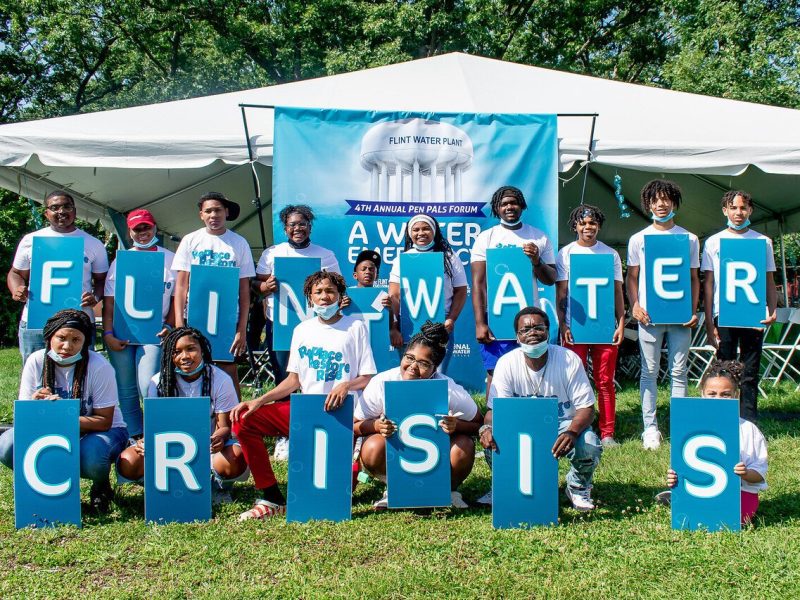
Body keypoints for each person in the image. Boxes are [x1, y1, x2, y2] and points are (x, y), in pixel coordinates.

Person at [231, 271, 376, 520]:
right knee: (243, 420)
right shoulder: (302, 330)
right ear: (309, 298)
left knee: (343, 490)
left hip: (340, 414)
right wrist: (260, 400)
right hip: (306, 410)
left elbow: (367, 376)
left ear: (340, 295)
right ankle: (271, 497)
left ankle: (351, 468)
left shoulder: (356, 326)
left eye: (330, 291)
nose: (324, 297)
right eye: (318, 292)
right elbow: (293, 381)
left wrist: (345, 385)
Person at [0, 309, 128, 513]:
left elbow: (104, 421)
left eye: (76, 340)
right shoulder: (36, 361)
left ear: (85, 342)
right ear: (50, 336)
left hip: (102, 432)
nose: (67, 346)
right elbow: (23, 421)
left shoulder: (98, 366)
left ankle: (101, 486)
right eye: (61, 338)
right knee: (7, 444)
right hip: (53, 431)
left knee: (92, 455)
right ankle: (51, 488)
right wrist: (34, 406)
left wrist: (60, 417)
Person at [477, 307, 602, 510]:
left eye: (538, 327)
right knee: (495, 436)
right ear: (517, 337)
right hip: (520, 426)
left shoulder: (569, 360)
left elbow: (587, 408)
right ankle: (504, 485)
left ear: (548, 331)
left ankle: (578, 486)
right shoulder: (506, 363)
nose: (532, 333)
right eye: (525, 330)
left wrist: (572, 432)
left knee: (588, 442)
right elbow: (493, 411)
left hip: (563, 425)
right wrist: (486, 428)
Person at [354, 321, 482, 509]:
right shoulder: (382, 382)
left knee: (464, 445)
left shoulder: (448, 389)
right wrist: (376, 426)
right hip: (397, 451)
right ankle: (395, 487)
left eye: (423, 363)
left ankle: (448, 490)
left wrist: (458, 425)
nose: (413, 366)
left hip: (436, 454)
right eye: (409, 357)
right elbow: (356, 425)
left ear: (435, 369)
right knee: (373, 446)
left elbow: (478, 424)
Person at [116, 327, 248, 503]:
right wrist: (146, 442)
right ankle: (160, 484)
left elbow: (224, 426)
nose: (184, 356)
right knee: (128, 462)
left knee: (235, 457)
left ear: (202, 350)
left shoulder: (220, 379)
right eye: (176, 352)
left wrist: (219, 438)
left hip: (207, 446)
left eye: (191, 349)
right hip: (169, 447)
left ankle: (218, 486)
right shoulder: (158, 381)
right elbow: (155, 425)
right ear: (169, 356)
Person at [255, 204, 341, 461]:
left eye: (302, 224)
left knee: (315, 377)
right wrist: (265, 285)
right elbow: (255, 283)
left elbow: (338, 287)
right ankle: (285, 434)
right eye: (292, 225)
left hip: (317, 328)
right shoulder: (272, 253)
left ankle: (315, 430)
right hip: (280, 326)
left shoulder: (325, 255)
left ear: (309, 226)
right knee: (285, 379)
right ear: (285, 228)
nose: (297, 229)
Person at [626, 179, 700, 450]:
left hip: (681, 318)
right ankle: (650, 429)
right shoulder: (638, 238)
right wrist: (634, 304)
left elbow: (694, 278)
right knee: (649, 371)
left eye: (666, 199)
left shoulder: (689, 238)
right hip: (649, 317)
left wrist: (694, 309)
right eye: (655, 200)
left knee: (679, 372)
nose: (661, 204)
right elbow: (631, 276)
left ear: (674, 202)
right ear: (648, 204)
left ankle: (680, 426)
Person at [470, 186, 556, 398]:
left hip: (530, 322)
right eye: (504, 203)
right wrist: (481, 323)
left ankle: (528, 418)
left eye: (513, 202)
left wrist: (537, 261)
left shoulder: (538, 237)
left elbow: (551, 278)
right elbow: (478, 284)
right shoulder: (486, 238)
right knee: (495, 373)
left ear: (522, 206)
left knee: (532, 371)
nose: (509, 207)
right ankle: (494, 422)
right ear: (497, 208)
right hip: (497, 319)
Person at [659, 360, 767, 525]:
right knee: (690, 517)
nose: (718, 399)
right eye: (712, 393)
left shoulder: (748, 429)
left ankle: (675, 499)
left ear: (736, 395)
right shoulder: (690, 428)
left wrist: (745, 473)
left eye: (725, 394)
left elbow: (759, 475)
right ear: (702, 394)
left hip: (740, 492)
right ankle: (676, 496)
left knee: (734, 520)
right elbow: (685, 465)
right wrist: (674, 477)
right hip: (700, 490)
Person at [7, 190, 109, 365]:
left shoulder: (93, 243)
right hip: (36, 321)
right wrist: (16, 288)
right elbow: (15, 273)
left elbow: (102, 280)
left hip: (78, 320)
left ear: (75, 211)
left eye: (67, 206)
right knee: (35, 376)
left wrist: (96, 297)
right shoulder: (30, 240)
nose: (61, 211)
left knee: (78, 375)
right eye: (55, 207)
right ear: (46, 213)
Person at [701, 190, 777, 422]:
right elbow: (709, 285)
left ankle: (748, 424)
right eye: (733, 208)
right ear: (725, 210)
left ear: (750, 210)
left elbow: (769, 280)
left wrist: (772, 310)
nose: (738, 212)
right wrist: (708, 322)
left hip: (753, 315)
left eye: (743, 208)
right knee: (723, 371)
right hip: (723, 316)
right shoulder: (713, 242)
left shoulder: (762, 242)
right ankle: (723, 420)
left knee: (750, 372)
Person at [172, 191, 255, 397]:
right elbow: (181, 287)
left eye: (217, 210)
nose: (213, 215)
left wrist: (241, 329)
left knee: (227, 369)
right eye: (208, 211)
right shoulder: (190, 240)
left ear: (226, 212)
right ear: (201, 215)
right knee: (193, 369)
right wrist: (179, 325)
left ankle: (234, 422)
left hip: (226, 318)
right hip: (196, 317)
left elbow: (244, 290)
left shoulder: (239, 243)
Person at [102, 209, 176, 438]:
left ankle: (157, 433)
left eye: (147, 227)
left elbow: (177, 299)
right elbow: (109, 303)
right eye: (137, 229)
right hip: (121, 333)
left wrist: (170, 326)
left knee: (148, 385)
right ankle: (135, 436)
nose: (143, 233)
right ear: (129, 232)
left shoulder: (171, 258)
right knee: (125, 389)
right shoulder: (120, 261)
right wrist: (107, 334)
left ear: (155, 228)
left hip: (153, 334)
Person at [556, 204, 625, 447]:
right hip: (575, 327)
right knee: (575, 377)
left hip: (604, 327)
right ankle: (577, 426)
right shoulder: (565, 254)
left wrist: (621, 322)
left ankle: (607, 432)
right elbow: (561, 293)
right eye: (583, 223)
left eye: (592, 223)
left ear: (599, 226)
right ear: (575, 225)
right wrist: (562, 324)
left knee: (605, 379)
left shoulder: (610, 254)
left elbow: (617, 291)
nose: (588, 227)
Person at [389, 214, 468, 368]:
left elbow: (461, 291)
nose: (421, 233)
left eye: (426, 228)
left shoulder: (450, 257)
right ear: (409, 234)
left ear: (434, 231)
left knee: (437, 374)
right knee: (410, 375)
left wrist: (451, 319)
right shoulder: (402, 259)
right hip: (408, 325)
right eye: (416, 229)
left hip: (441, 324)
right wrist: (394, 327)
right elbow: (395, 295)